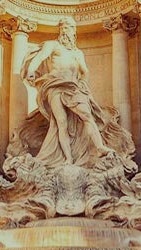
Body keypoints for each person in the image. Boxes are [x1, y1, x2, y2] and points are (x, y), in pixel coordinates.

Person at [21, 18, 120, 167]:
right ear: (61, 30)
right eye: (65, 28)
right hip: (54, 85)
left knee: (86, 115)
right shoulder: (53, 45)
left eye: (71, 28)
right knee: (61, 122)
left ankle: (99, 147)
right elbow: (40, 57)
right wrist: (31, 70)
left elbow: (85, 71)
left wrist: (83, 85)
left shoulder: (77, 53)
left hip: (73, 87)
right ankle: (68, 158)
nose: (68, 31)